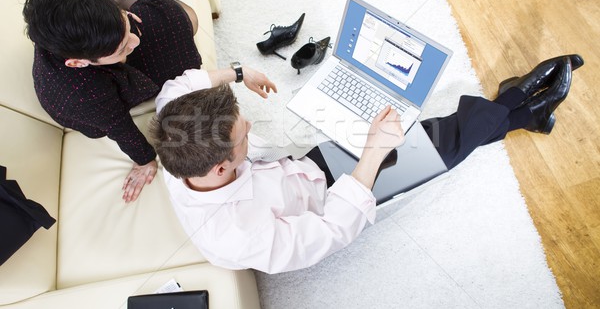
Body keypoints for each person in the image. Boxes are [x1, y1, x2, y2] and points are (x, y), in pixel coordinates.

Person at [149, 52, 580, 274]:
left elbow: (179, 86)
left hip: (300, 166)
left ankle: (525, 114)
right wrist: (372, 153)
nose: (249, 128)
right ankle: (519, 103)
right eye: (243, 135)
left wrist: (238, 74)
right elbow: (328, 233)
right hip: (328, 199)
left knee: (421, 132)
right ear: (220, 168)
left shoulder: (175, 127)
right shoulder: (237, 235)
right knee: (436, 153)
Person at [21, 0, 273, 202]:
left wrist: (117, 23)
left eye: (126, 25)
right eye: (122, 47)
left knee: (180, 17)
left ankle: (117, 2)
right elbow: (120, 128)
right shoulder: (82, 95)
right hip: (98, 97)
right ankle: (118, 4)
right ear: (78, 62)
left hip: (101, 47)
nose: (136, 40)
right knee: (178, 21)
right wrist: (145, 161)